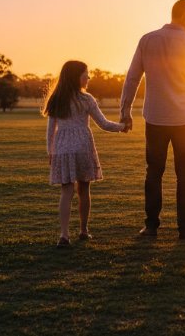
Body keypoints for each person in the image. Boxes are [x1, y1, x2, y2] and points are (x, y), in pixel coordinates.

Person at [120, 0, 185, 239]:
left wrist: (125, 110)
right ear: (183, 15)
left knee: (154, 172)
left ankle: (151, 226)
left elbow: (132, 77)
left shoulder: (148, 39)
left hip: (155, 117)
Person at [44, 60, 126, 248]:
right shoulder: (86, 99)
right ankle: (83, 230)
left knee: (66, 192)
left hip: (63, 149)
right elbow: (104, 124)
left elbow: (50, 131)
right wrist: (122, 127)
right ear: (76, 76)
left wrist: (51, 151)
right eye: (86, 74)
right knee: (84, 190)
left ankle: (64, 235)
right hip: (83, 147)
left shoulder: (56, 99)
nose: (88, 77)